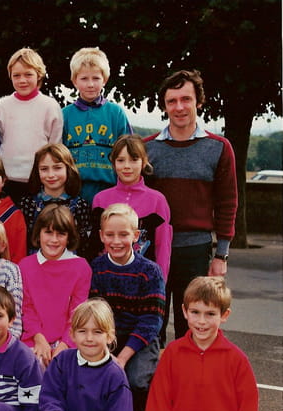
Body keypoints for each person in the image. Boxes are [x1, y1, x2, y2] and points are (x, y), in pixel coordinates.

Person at [144, 69, 237, 340]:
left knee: (194, 328)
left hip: (196, 251)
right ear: (164, 106)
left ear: (199, 102)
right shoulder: (146, 149)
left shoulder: (219, 148)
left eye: (186, 99)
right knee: (151, 328)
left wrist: (221, 256)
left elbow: (228, 203)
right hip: (153, 251)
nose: (179, 107)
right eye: (172, 101)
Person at [145, 277, 258, 411]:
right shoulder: (173, 353)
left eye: (210, 314)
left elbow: (248, 408)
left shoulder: (237, 359)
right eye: (195, 312)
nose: (202, 321)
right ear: (184, 311)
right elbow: (159, 399)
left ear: (224, 315)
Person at [90, 203, 165, 411]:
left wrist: (121, 359)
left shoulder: (150, 271)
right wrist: (106, 350)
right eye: (110, 235)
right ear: (101, 236)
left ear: (136, 235)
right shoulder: (97, 268)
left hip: (140, 339)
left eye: (123, 234)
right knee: (97, 377)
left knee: (135, 380)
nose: (116, 241)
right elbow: (95, 313)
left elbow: (151, 321)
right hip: (108, 337)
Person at [19, 205, 91, 368]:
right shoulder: (25, 266)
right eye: (48, 232)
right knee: (32, 366)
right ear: (38, 234)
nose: (54, 240)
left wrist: (64, 345)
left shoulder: (81, 267)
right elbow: (26, 308)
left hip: (69, 340)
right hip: (33, 339)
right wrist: (39, 338)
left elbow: (77, 313)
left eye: (61, 234)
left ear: (69, 237)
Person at [90, 134, 172, 279]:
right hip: (106, 280)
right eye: (121, 160)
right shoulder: (100, 199)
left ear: (144, 162)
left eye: (134, 160)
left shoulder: (157, 201)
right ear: (113, 163)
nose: (127, 166)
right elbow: (95, 247)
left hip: (144, 281)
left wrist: (160, 282)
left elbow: (163, 247)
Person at [61, 47, 132, 204]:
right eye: (84, 79)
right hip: (74, 191)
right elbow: (58, 154)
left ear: (104, 80)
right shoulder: (64, 115)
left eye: (96, 78)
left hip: (110, 189)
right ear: (74, 81)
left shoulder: (116, 113)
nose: (90, 84)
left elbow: (130, 150)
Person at [0, 47, 63, 205]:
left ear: (38, 75)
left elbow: (55, 145)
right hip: (7, 180)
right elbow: (0, 139)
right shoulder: (1, 106)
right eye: (16, 75)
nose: (22, 80)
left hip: (39, 180)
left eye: (28, 74)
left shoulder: (50, 106)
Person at [20, 143, 91, 257]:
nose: (51, 175)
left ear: (68, 169)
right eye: (44, 169)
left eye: (57, 168)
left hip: (70, 264)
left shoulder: (80, 205)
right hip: (36, 264)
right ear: (37, 171)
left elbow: (84, 245)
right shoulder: (28, 204)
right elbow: (24, 242)